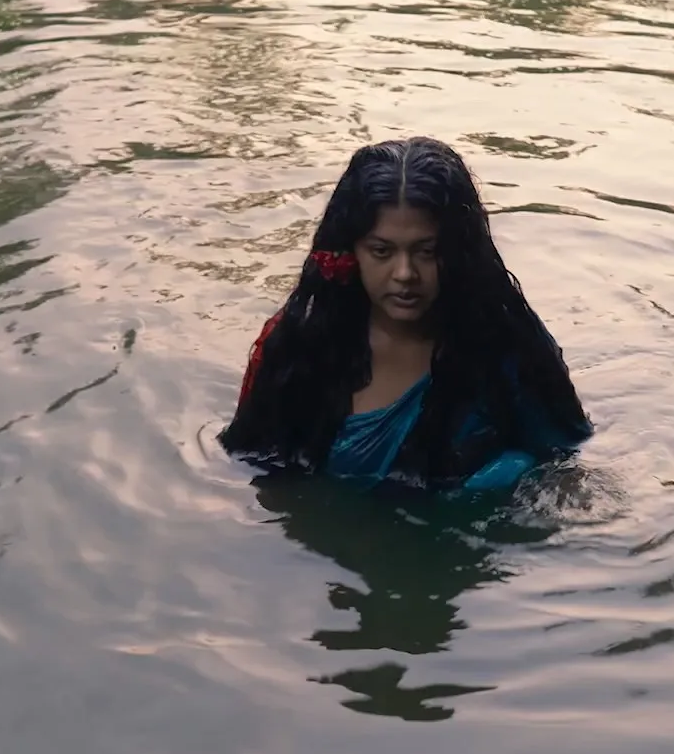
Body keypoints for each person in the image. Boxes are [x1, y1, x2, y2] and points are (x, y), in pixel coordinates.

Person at [219, 136, 592, 491]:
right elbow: (247, 461)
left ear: (458, 253)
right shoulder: (300, 344)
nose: (405, 274)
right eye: (381, 251)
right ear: (351, 252)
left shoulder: (507, 351)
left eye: (427, 252)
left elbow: (564, 460)